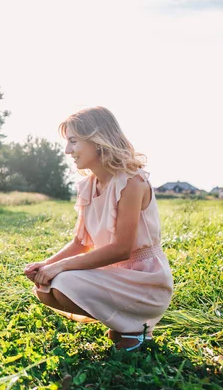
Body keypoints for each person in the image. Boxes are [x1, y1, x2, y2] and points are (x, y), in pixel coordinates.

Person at [24, 106, 174, 351]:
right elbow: (80, 243)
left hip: (146, 281)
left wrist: (59, 267)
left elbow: (121, 249)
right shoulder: (87, 185)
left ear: (97, 140)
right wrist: (45, 264)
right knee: (44, 288)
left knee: (63, 283)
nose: (67, 150)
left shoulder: (132, 182)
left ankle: (137, 331)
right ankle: (124, 323)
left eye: (73, 141)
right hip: (115, 275)